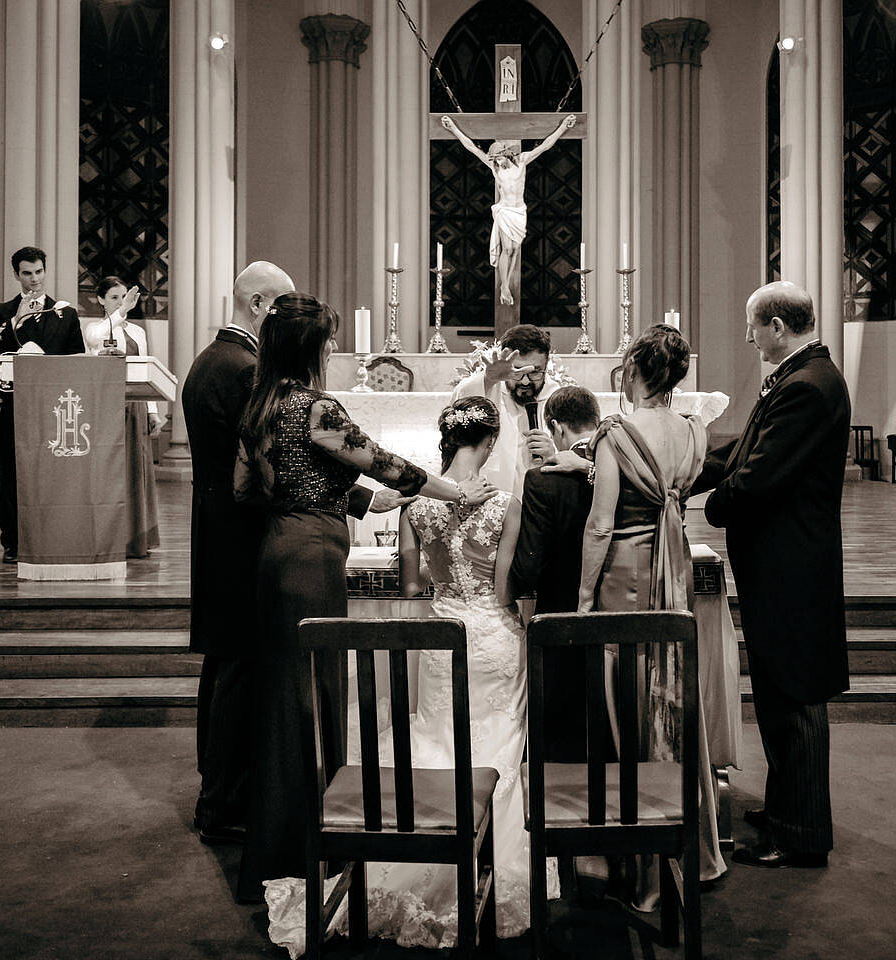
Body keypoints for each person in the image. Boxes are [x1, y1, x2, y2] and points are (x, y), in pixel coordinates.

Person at [265, 395, 558, 953]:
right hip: (492, 639)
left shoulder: (414, 505)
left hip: (438, 639)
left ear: (446, 441)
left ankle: (409, 837)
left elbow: (410, 587)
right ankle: (488, 860)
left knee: (437, 736)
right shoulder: (508, 504)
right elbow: (501, 592)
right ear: (491, 442)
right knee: (495, 747)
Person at [233, 292, 496, 903]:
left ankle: (275, 850)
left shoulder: (260, 405)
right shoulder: (316, 406)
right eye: (327, 341)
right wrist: (455, 494)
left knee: (282, 697)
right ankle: (305, 850)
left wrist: (338, 498)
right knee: (312, 700)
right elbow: (385, 463)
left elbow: (249, 487)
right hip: (309, 558)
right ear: (314, 348)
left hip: (275, 551)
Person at [182, 262, 403, 846]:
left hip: (228, 533)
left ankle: (229, 792)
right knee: (244, 675)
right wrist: (372, 494)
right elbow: (278, 461)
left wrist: (358, 498)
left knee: (232, 672)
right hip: (249, 538)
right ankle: (228, 802)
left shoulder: (213, 360)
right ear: (258, 305)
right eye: (280, 308)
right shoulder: (247, 371)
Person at [690, 280, 851, 870]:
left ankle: (802, 832)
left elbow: (758, 476)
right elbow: (739, 453)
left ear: (777, 327)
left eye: (753, 325)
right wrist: (688, 473)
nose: (749, 335)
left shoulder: (807, 386)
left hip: (793, 566)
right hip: (782, 562)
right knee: (781, 691)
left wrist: (711, 504)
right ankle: (786, 805)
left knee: (797, 694)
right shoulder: (800, 376)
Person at [578, 323, 724, 907]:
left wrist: (584, 596)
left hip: (625, 575)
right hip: (674, 570)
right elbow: (678, 497)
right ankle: (685, 842)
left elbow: (599, 523)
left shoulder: (616, 435)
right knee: (671, 696)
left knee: (630, 703)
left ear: (634, 372)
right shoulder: (694, 433)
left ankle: (637, 859)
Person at [506, 384, 605, 762]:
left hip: (560, 607)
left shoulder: (544, 478)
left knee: (562, 706)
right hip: (616, 601)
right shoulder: (620, 466)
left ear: (557, 428)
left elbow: (530, 561)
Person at [0, 245, 85, 564]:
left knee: (51, 479)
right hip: (10, 411)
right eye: (27, 273)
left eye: (39, 272)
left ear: (45, 271)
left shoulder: (65, 314)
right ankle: (12, 542)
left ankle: (49, 537)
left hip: (51, 411)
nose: (34, 279)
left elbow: (77, 359)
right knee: (10, 479)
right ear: (16, 275)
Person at [441, 113, 578, 307]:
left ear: (505, 154)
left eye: (498, 159)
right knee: (507, 248)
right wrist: (453, 128)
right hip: (505, 211)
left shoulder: (522, 161)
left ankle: (505, 287)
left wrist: (564, 127)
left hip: (519, 211)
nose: (497, 162)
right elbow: (471, 147)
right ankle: (504, 287)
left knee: (514, 249)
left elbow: (545, 146)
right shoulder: (494, 168)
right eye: (494, 160)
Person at [84, 276, 164, 557]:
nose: (121, 302)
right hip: (108, 406)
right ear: (101, 300)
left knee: (137, 469)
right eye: (114, 297)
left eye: (124, 297)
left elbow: (146, 370)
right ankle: (111, 537)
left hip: (136, 406)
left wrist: (153, 409)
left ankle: (137, 537)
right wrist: (119, 313)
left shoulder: (139, 333)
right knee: (112, 469)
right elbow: (95, 342)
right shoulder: (96, 328)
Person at [451, 323, 558, 496]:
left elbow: (575, 450)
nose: (525, 382)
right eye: (517, 371)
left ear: (547, 365)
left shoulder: (556, 396)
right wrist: (488, 379)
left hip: (542, 500)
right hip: (493, 495)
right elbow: (462, 403)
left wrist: (553, 452)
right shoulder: (488, 388)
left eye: (535, 372)